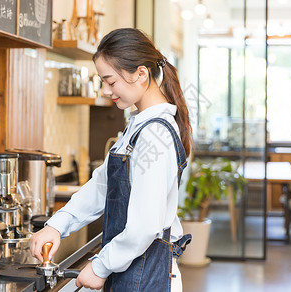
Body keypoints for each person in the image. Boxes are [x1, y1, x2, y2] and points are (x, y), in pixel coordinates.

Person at [30, 28, 193, 292]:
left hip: (147, 274)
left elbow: (144, 226)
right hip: (132, 272)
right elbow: (101, 186)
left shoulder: (154, 133)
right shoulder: (138, 126)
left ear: (141, 74)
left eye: (111, 81)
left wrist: (100, 266)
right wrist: (56, 226)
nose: (106, 90)